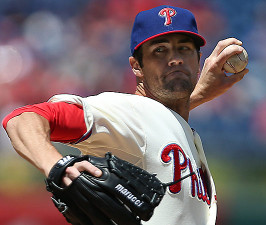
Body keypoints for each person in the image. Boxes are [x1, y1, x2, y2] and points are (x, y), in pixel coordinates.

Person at [2, 5, 248, 225]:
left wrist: (198, 96)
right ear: (136, 66)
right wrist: (57, 167)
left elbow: (159, 125)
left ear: (198, 61)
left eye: (183, 49)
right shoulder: (126, 111)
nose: (174, 59)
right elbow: (23, 118)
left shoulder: (174, 127)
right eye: (159, 51)